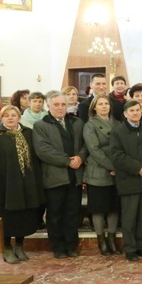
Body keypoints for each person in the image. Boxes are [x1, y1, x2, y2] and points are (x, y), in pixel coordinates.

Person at [0, 105, 44, 263]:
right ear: (1, 118)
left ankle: (20, 246)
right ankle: (6, 247)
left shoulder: (28, 134)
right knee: (6, 215)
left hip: (25, 182)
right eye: (6, 115)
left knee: (23, 215)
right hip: (4, 184)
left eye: (13, 115)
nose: (10, 118)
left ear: (19, 117)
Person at [33, 91, 88, 258]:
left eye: (63, 104)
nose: (60, 107)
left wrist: (80, 157)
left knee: (73, 212)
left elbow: (86, 145)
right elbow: (43, 150)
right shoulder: (41, 125)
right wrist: (67, 161)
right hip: (54, 176)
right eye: (56, 104)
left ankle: (71, 245)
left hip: (75, 176)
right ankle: (57, 246)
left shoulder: (77, 122)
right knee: (55, 213)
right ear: (48, 106)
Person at [110, 100, 142, 261]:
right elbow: (117, 155)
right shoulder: (118, 132)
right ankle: (130, 248)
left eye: (137, 110)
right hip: (129, 179)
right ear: (125, 114)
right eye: (131, 110)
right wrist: (138, 168)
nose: (135, 113)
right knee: (130, 216)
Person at [82, 95, 120, 256]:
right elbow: (94, 150)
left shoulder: (117, 123)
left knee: (113, 207)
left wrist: (118, 166)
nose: (104, 106)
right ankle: (101, 241)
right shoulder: (90, 125)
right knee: (99, 208)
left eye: (106, 104)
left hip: (116, 171)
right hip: (98, 171)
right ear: (94, 107)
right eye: (100, 104)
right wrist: (112, 166)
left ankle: (112, 239)